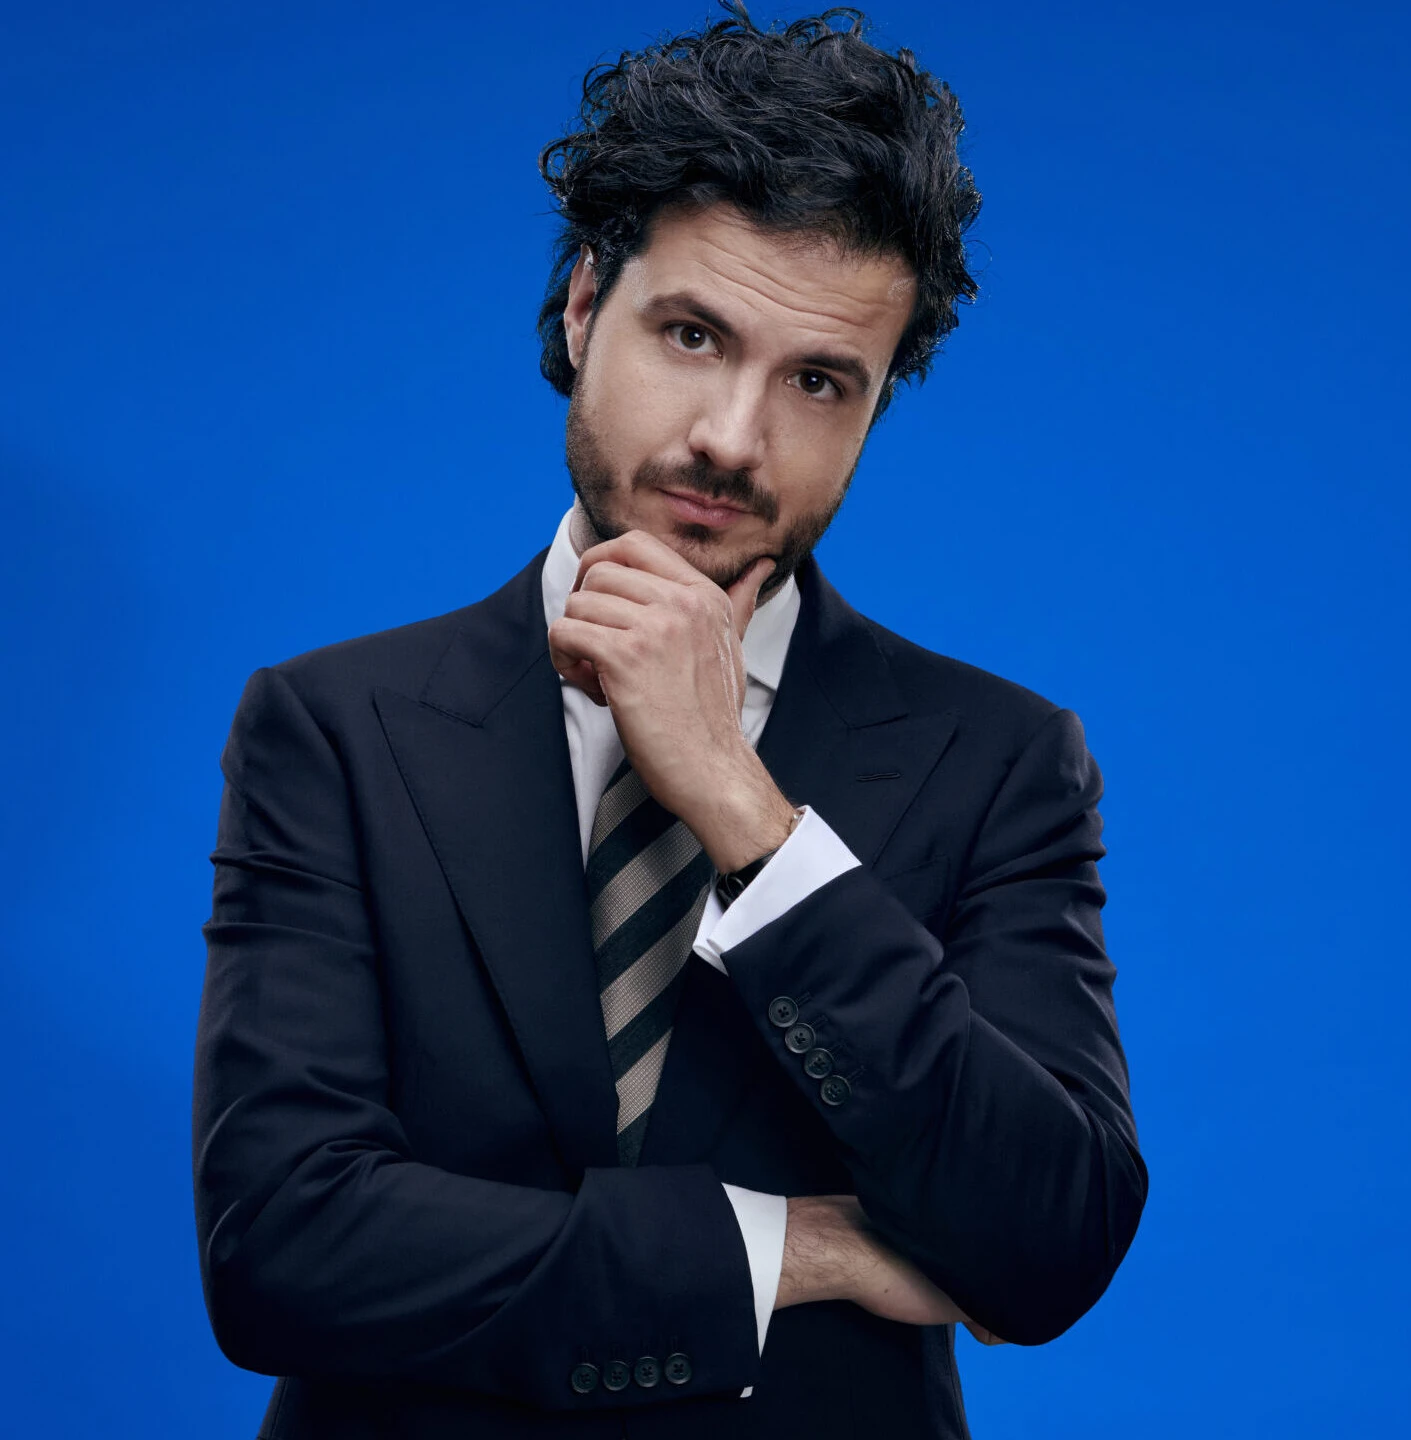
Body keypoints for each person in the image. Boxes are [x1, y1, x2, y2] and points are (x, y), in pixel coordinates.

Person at [193, 6, 1147, 1437]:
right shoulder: (333, 727)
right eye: (693, 335)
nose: (732, 439)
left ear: (874, 411)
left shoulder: (1002, 760)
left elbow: (1052, 1245)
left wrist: (745, 813)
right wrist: (791, 1251)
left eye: (817, 381)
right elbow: (277, 1248)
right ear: (586, 308)